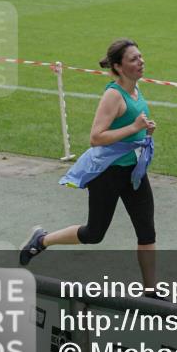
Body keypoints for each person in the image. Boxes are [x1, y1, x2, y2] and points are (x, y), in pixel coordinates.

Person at [19, 39, 158, 290]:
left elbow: (129, 130)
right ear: (118, 66)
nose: (141, 61)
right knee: (94, 234)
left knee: (147, 231)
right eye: (134, 59)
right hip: (108, 173)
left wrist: (144, 132)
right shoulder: (113, 95)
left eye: (141, 56)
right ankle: (42, 240)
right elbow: (96, 138)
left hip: (133, 172)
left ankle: (151, 290)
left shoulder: (136, 89)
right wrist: (134, 127)